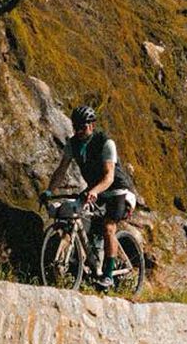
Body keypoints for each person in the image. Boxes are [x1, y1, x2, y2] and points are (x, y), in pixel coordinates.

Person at [46, 105, 139, 282]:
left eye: (83, 127)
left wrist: (93, 191)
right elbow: (61, 170)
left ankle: (109, 275)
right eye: (76, 127)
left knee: (108, 227)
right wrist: (49, 191)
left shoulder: (106, 143)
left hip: (116, 189)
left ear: (92, 125)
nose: (79, 131)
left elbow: (109, 177)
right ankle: (86, 264)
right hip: (95, 189)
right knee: (80, 220)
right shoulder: (73, 144)